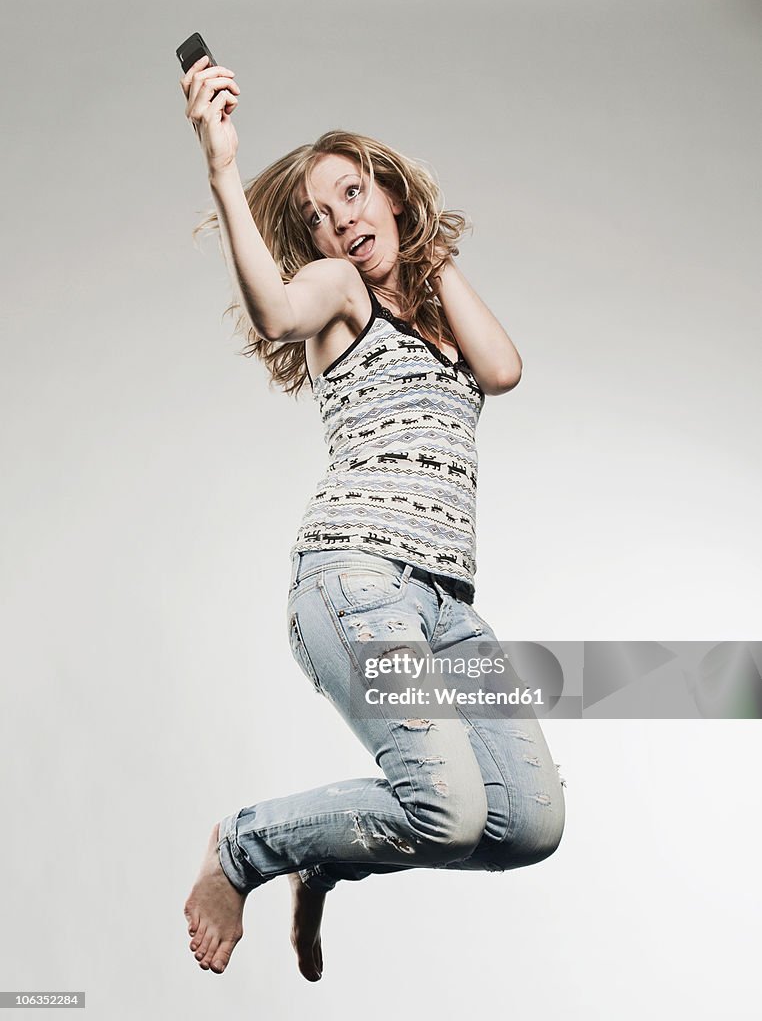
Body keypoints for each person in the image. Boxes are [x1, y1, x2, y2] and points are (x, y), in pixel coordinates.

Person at [179, 55, 566, 982]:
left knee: (530, 823)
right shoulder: (338, 297)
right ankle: (243, 848)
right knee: (449, 807)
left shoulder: (433, 316)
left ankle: (329, 855)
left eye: (354, 194)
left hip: (447, 607)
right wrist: (221, 165)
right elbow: (276, 310)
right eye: (318, 214)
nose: (341, 220)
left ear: (388, 193)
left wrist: (428, 249)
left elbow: (503, 369)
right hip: (356, 582)